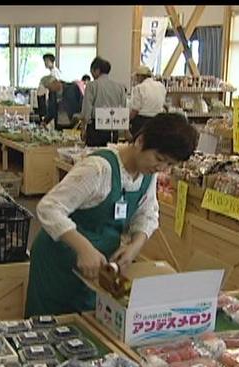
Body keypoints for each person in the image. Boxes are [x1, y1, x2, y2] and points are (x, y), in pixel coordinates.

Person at [25, 113, 198, 317]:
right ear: (140, 141)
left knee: (87, 331)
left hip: (98, 272)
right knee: (48, 331)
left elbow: (148, 215)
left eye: (169, 164)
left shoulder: (147, 176)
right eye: (159, 159)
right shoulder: (98, 169)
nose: (161, 168)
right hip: (57, 265)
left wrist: (134, 247)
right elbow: (49, 207)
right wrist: (84, 248)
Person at [81, 57, 127, 147]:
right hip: (113, 127)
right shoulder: (120, 87)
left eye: (92, 72)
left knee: (94, 156)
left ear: (97, 70)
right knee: (110, 154)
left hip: (96, 128)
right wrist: (125, 130)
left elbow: (87, 109)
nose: (92, 75)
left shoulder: (92, 85)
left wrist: (83, 129)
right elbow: (123, 109)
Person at [129, 65, 167, 138]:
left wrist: (128, 120)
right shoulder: (161, 86)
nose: (136, 79)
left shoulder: (139, 88)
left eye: (136, 76)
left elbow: (135, 109)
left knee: (140, 143)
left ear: (140, 76)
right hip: (157, 120)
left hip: (142, 121)